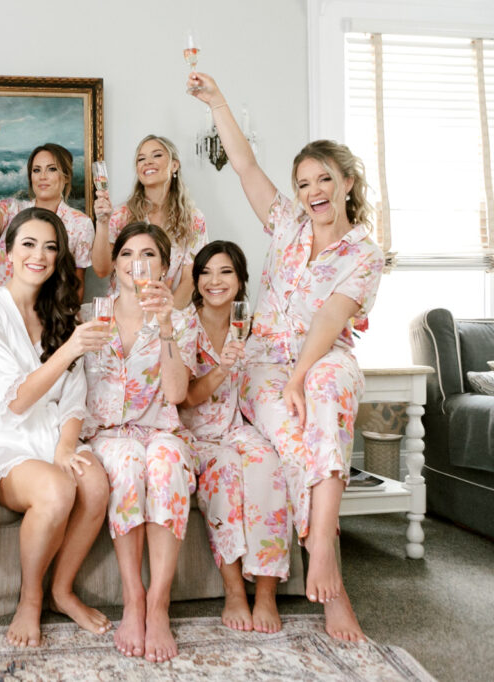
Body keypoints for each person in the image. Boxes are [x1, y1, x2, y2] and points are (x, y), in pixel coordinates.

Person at [189, 71, 383, 642]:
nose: (313, 190)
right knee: (299, 443)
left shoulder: (365, 253)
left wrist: (301, 376)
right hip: (264, 366)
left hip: (322, 359)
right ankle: (333, 580)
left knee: (323, 389)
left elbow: (329, 319)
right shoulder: (288, 224)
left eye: (324, 179)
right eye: (303, 183)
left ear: (347, 182)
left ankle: (320, 544)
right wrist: (219, 101)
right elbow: (246, 166)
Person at [0, 206, 111, 647]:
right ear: (9, 253)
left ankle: (62, 591)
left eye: (51, 247)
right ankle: (29, 600)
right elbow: (13, 401)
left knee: (96, 484)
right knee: (56, 489)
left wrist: (68, 446)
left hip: (53, 433)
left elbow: (73, 396)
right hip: (5, 439)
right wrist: (67, 351)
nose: (40, 255)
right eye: (29, 244)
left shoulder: (62, 310)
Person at [82, 222, 198, 663]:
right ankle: (134, 598)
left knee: (165, 465)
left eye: (148, 254)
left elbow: (174, 394)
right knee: (128, 466)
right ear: (116, 265)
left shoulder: (181, 322)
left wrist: (166, 326)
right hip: (109, 435)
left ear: (164, 267)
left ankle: (159, 603)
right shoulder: (91, 313)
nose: (137, 262)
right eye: (128, 253)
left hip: (161, 429)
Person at [178, 241, 290, 634]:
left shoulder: (256, 328)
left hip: (240, 430)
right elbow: (186, 397)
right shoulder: (183, 326)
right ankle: (234, 592)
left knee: (267, 466)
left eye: (225, 272)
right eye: (206, 272)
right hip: (198, 436)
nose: (214, 281)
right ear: (195, 281)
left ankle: (266, 593)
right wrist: (222, 369)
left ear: (241, 279)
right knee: (226, 471)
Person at [0, 128, 94, 296]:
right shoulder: (13, 210)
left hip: (45, 315)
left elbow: (76, 284)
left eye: (51, 169)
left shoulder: (81, 223)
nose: (42, 176)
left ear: (66, 176)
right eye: (36, 170)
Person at [90, 135, 206, 308]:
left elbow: (190, 279)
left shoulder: (194, 219)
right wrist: (102, 223)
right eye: (141, 159)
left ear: (175, 165)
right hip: (122, 312)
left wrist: (165, 318)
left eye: (157, 155)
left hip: (169, 312)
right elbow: (101, 270)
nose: (147, 162)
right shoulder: (120, 215)